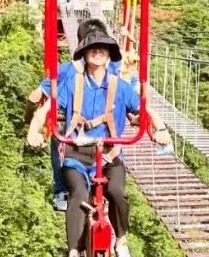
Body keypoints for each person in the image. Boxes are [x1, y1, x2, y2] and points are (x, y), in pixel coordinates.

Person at [27, 21, 170, 257]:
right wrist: (33, 130)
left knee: (117, 192)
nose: (97, 52)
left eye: (103, 48)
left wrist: (160, 129)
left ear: (109, 54)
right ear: (84, 52)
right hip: (78, 153)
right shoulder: (72, 81)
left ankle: (121, 244)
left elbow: (145, 108)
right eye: (92, 48)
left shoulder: (119, 85)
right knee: (79, 195)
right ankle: (73, 256)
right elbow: (46, 109)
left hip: (109, 153)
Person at [26, 18, 136, 212]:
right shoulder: (113, 68)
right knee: (112, 143)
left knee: (58, 133)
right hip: (107, 145)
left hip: (78, 143)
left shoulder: (65, 70)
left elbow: (35, 97)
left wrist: (30, 122)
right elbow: (129, 92)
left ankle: (61, 190)